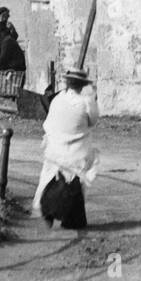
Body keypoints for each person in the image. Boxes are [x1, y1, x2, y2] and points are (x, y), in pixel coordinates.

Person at [32, 68, 100, 229]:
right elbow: (93, 121)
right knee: (82, 175)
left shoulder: (58, 99)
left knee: (48, 177)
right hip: (76, 151)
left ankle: (44, 207)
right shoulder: (86, 102)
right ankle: (70, 217)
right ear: (83, 85)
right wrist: (92, 98)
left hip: (54, 148)